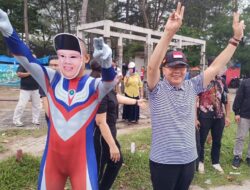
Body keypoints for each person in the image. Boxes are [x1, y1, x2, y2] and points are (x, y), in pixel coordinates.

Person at [0, 9, 117, 190]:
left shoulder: (93, 85)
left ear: (85, 58)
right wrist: (8, 31)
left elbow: (109, 82)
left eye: (73, 56)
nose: (66, 62)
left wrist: (107, 63)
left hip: (82, 163)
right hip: (52, 162)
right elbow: (27, 59)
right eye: (62, 56)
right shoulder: (50, 79)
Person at [146, 2, 245, 190]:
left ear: (187, 70)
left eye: (181, 67)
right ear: (164, 69)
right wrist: (168, 33)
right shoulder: (156, 89)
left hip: (189, 159)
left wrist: (235, 39)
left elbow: (215, 66)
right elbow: (151, 67)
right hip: (163, 161)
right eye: (172, 67)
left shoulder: (192, 86)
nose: (177, 71)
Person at [89, 59, 146, 190]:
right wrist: (112, 146)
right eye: (113, 69)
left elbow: (115, 97)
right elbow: (100, 122)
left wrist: (136, 102)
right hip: (100, 136)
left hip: (108, 133)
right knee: (97, 171)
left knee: (116, 162)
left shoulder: (106, 86)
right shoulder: (99, 88)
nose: (116, 72)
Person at [197, 57, 230, 174]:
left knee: (217, 140)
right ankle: (200, 162)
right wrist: (195, 118)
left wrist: (227, 116)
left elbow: (226, 99)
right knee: (201, 140)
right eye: (220, 66)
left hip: (219, 116)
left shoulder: (222, 81)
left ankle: (215, 162)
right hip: (204, 115)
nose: (222, 68)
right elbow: (195, 98)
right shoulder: (201, 80)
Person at [232, 78, 250, 169]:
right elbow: (239, 97)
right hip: (244, 115)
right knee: (240, 137)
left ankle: (249, 157)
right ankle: (237, 156)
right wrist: (237, 113)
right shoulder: (245, 82)